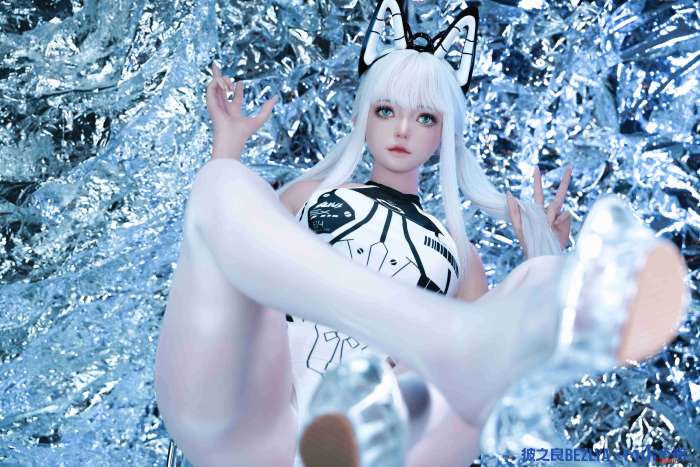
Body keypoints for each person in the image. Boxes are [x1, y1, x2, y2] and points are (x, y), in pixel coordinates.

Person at [154, 1, 688, 465]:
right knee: (224, 183)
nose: (403, 129)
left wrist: (547, 257)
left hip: (378, 446)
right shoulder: (307, 197)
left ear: (445, 132)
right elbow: (222, 270)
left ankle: (483, 325)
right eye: (386, 110)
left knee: (541, 278)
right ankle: (436, 334)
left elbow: (510, 404)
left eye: (426, 117)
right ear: (364, 116)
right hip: (261, 424)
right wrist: (227, 149)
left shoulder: (460, 256)